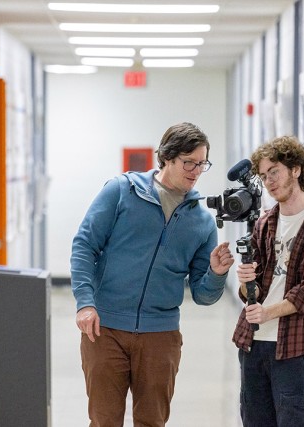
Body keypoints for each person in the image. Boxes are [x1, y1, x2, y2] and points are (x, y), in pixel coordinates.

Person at [71, 122, 235, 426]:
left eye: (202, 164)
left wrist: (215, 273)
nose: (196, 170)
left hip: (161, 335)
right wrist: (85, 302)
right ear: (168, 157)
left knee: (152, 422)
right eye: (189, 162)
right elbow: (84, 245)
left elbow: (203, 296)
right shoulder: (121, 192)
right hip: (105, 328)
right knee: (104, 421)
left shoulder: (201, 221)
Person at [232, 135, 304, 426]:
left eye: (275, 172)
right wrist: (245, 281)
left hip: (296, 350)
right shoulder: (264, 223)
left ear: (295, 170)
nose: (269, 181)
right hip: (254, 345)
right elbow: (249, 293)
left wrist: (268, 312)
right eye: (264, 176)